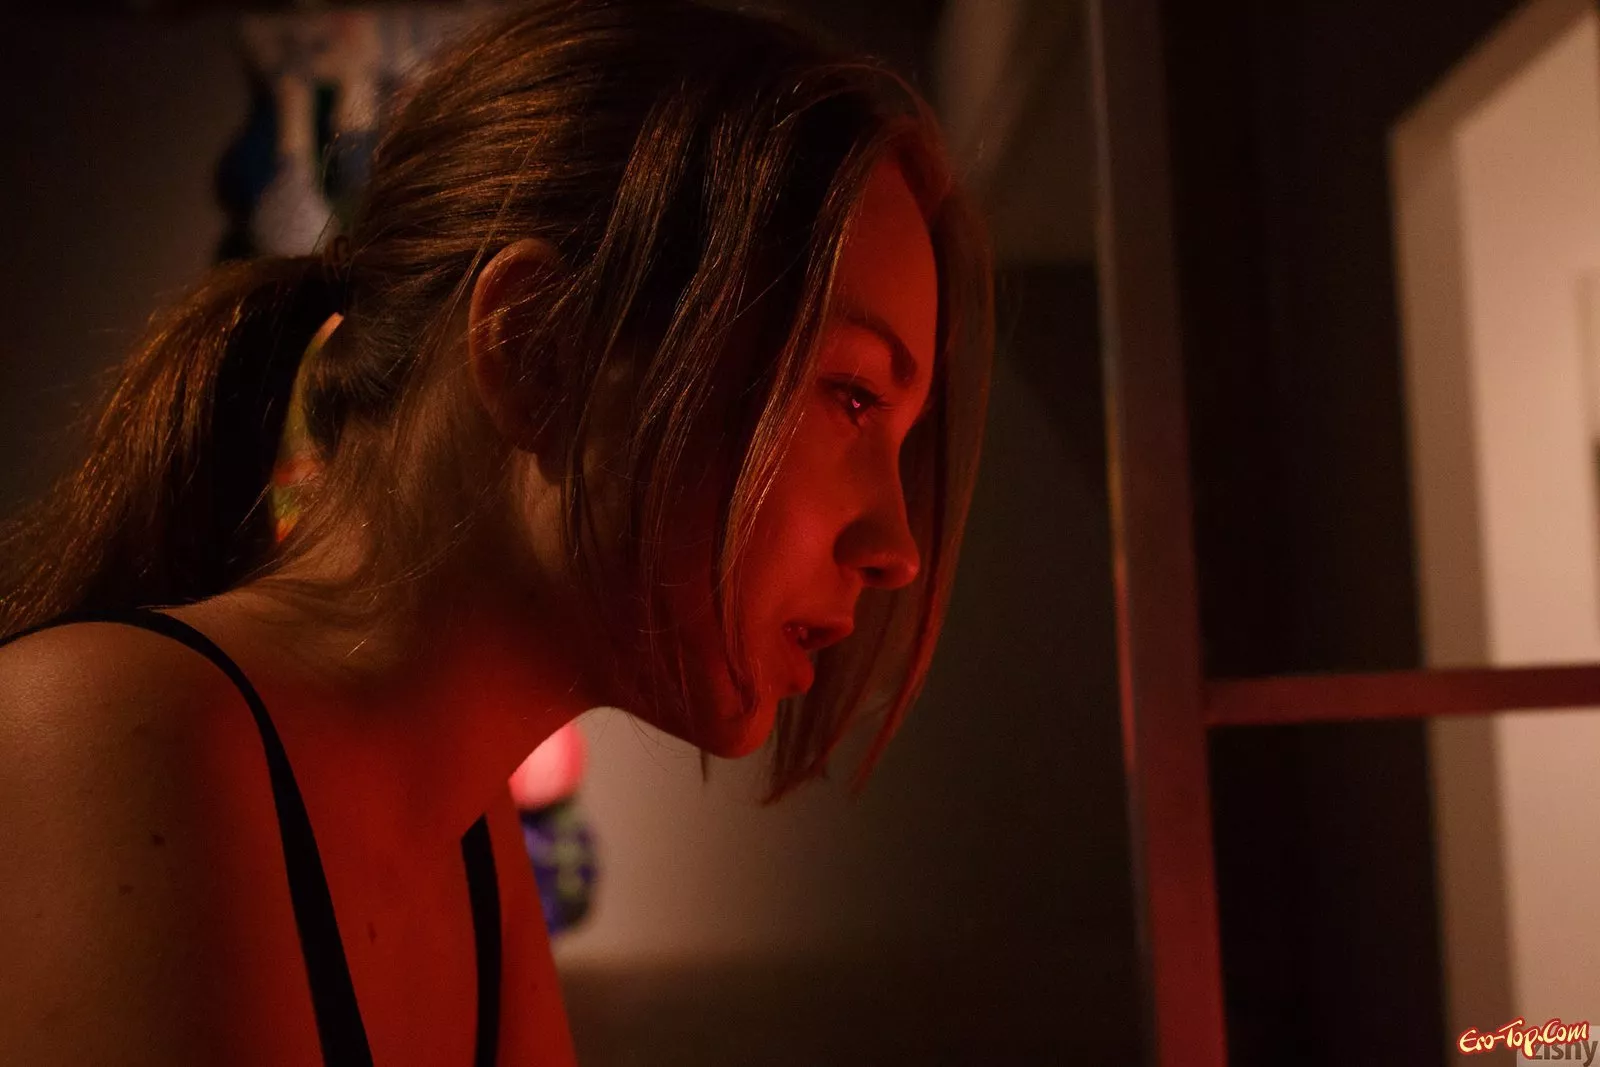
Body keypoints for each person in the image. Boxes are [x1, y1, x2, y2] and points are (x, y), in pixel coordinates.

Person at [0, 0, 993, 1063]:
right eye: (851, 395)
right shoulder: (114, 743)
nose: (897, 546)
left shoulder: (474, 854)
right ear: (537, 350)